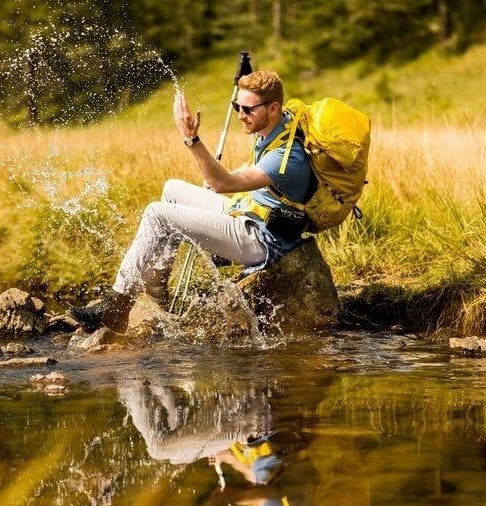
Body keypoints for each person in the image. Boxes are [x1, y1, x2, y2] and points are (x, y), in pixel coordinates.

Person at [70, 70, 317, 333]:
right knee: (171, 189)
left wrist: (191, 139)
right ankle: (158, 292)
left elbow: (225, 185)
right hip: (249, 213)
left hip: (264, 239)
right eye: (237, 106)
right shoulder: (277, 127)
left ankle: (116, 308)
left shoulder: (286, 155)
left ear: (273, 108)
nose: (240, 115)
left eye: (248, 109)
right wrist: (223, 176)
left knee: (157, 213)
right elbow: (245, 175)